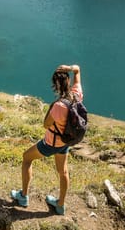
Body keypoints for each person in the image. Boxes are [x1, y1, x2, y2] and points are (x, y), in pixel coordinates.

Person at [11, 64, 82, 215]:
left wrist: (51, 110)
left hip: (51, 143)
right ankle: (60, 205)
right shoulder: (77, 94)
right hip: (66, 141)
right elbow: (77, 70)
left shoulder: (58, 106)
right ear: (68, 81)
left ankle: (23, 196)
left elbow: (46, 124)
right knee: (63, 171)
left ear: (56, 85)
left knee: (26, 158)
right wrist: (69, 68)